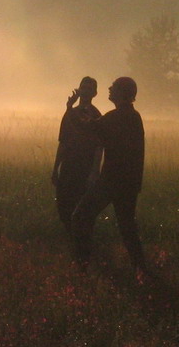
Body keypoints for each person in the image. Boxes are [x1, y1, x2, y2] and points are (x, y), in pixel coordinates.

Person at [71, 77, 147, 272]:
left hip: (112, 180)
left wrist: (73, 108)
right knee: (127, 226)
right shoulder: (134, 116)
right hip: (129, 183)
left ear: (121, 93)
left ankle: (83, 262)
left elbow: (88, 128)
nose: (109, 89)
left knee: (81, 215)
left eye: (113, 87)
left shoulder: (116, 117)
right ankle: (141, 268)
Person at [51, 76, 102, 236]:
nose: (85, 92)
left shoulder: (96, 115)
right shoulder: (70, 113)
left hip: (85, 166)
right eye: (83, 88)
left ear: (94, 93)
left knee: (79, 203)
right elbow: (63, 142)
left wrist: (94, 171)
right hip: (68, 164)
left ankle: (79, 238)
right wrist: (55, 167)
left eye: (89, 89)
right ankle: (70, 235)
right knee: (63, 202)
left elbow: (98, 147)